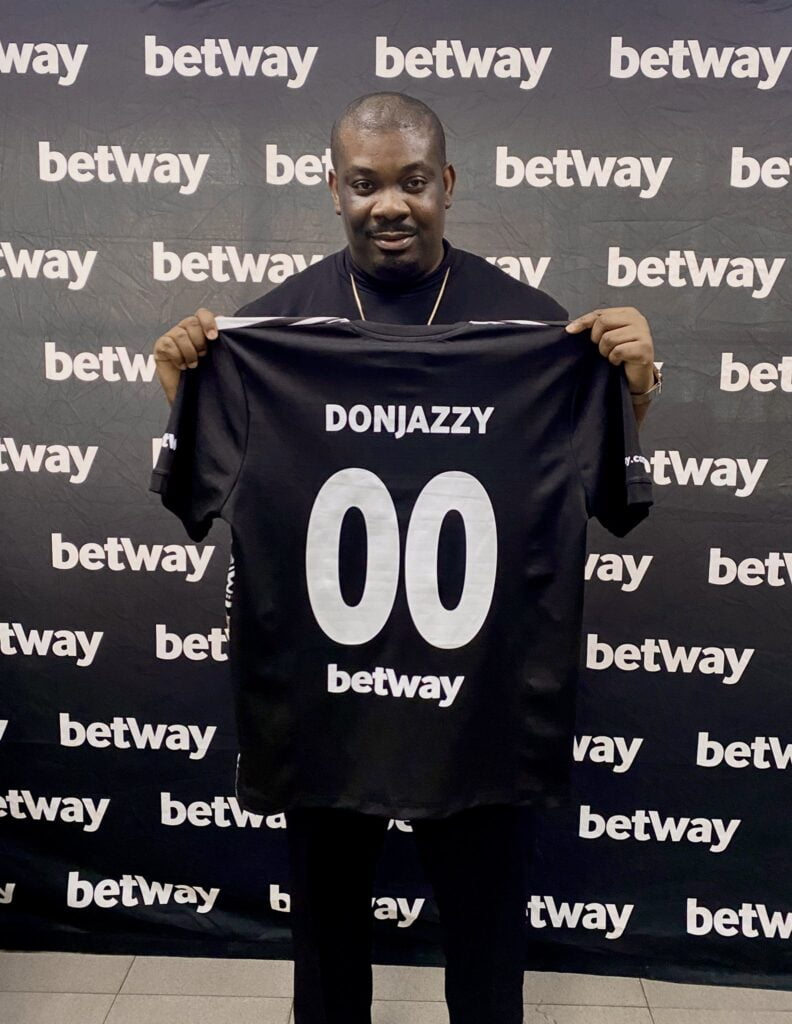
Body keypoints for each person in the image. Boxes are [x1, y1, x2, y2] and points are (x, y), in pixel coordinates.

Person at [152, 93, 660, 1024]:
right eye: (366, 183)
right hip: (326, 699)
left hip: (481, 700)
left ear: (448, 184)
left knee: (488, 951)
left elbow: (614, 503)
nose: (390, 203)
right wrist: (189, 395)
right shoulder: (265, 336)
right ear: (333, 189)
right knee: (326, 952)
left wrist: (627, 396)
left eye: (413, 181)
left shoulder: (537, 333)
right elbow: (199, 493)